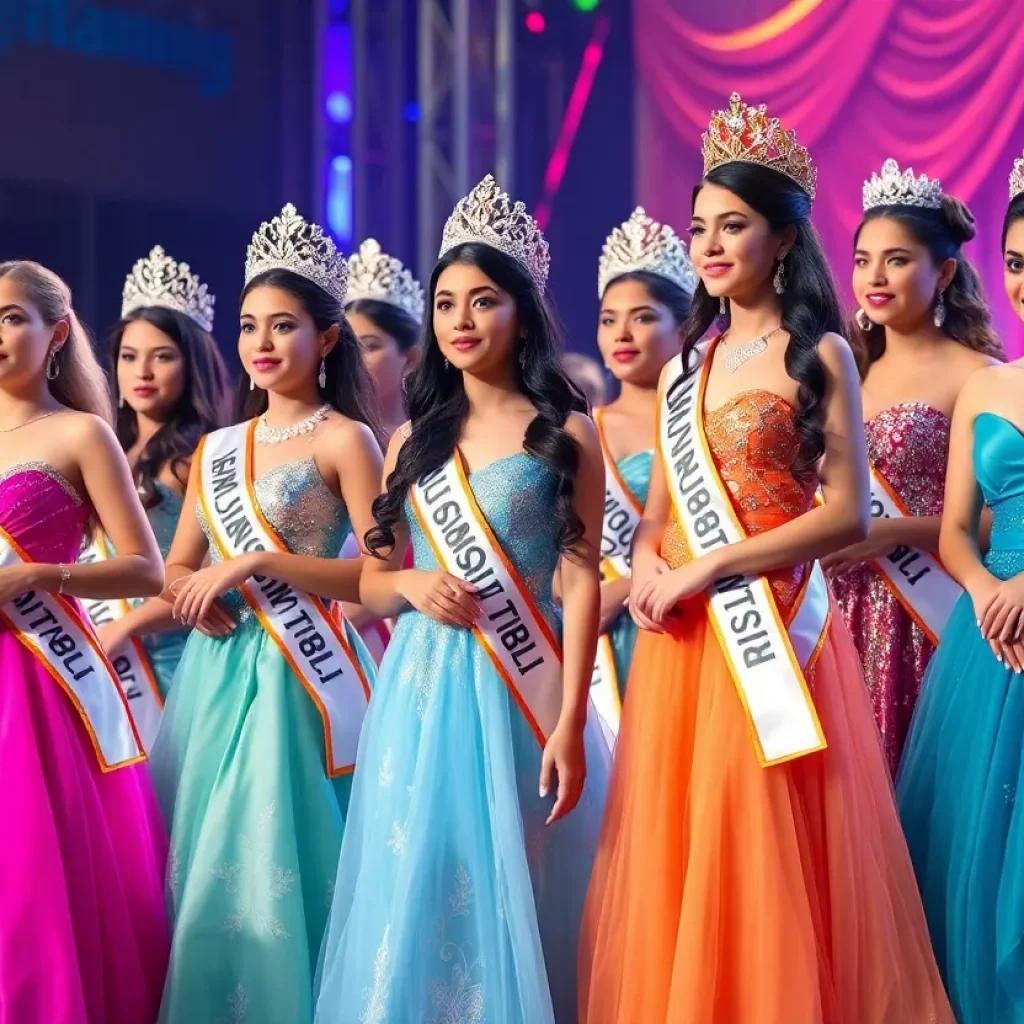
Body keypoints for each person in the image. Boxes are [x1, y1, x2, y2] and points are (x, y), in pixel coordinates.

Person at [578, 94, 953, 1023]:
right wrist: (659, 565)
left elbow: (846, 511)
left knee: (772, 856)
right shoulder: (682, 369)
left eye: (732, 226)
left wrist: (714, 565)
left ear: (784, 240)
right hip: (684, 651)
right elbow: (659, 511)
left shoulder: (819, 351)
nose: (709, 245)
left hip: (779, 631)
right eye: (700, 227)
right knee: (685, 854)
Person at [314, 175, 609, 1024]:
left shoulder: (566, 429)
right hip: (420, 684)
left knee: (518, 875)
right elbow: (370, 582)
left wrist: (571, 721)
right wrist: (406, 583)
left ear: (522, 311)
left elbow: (582, 576)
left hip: (525, 687)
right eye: (446, 304)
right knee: (419, 874)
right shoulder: (413, 437)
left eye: (483, 301)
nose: (462, 321)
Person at [150, 205, 382, 1024]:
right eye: (250, 326)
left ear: (326, 339)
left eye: (283, 326)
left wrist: (257, 562)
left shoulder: (348, 440)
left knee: (279, 852)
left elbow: (383, 579)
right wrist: (193, 594)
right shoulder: (216, 449)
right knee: (207, 860)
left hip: (302, 680)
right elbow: (175, 564)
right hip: (218, 675)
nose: (262, 343)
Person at [0, 260, 168, 1023]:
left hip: (38, 683)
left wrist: (42, 577)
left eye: (11, 318)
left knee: (31, 877)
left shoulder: (80, 432)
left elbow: (146, 567)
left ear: (56, 331)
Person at [896, 151, 1024, 1023]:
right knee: (972, 862)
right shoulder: (986, 385)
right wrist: (983, 587)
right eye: (1017, 263)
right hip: (993, 634)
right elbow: (952, 531)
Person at [826, 160, 1000, 773]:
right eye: (863, 259)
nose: (875, 276)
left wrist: (893, 531)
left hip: (926, 614)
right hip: (835, 606)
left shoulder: (977, 376)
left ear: (944, 272)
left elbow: (995, 524)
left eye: (897, 260)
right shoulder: (838, 367)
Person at [86, 247, 229, 737]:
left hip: (170, 664)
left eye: (162, 357)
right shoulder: (101, 449)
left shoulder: (200, 460)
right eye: (129, 357)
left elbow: (204, 580)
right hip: (96, 653)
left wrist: (123, 627)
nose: (142, 372)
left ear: (191, 367)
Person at [588, 207, 695, 746]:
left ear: (683, 327)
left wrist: (628, 585)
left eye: (644, 317)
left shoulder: (703, 423)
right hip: (598, 641)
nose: (621, 333)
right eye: (608, 319)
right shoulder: (580, 432)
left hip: (682, 619)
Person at [337, 238, 425, 658]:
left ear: (410, 357)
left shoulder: (429, 443)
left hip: (405, 635)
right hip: (314, 639)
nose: (354, 359)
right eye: (346, 346)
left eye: (369, 346)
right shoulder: (323, 436)